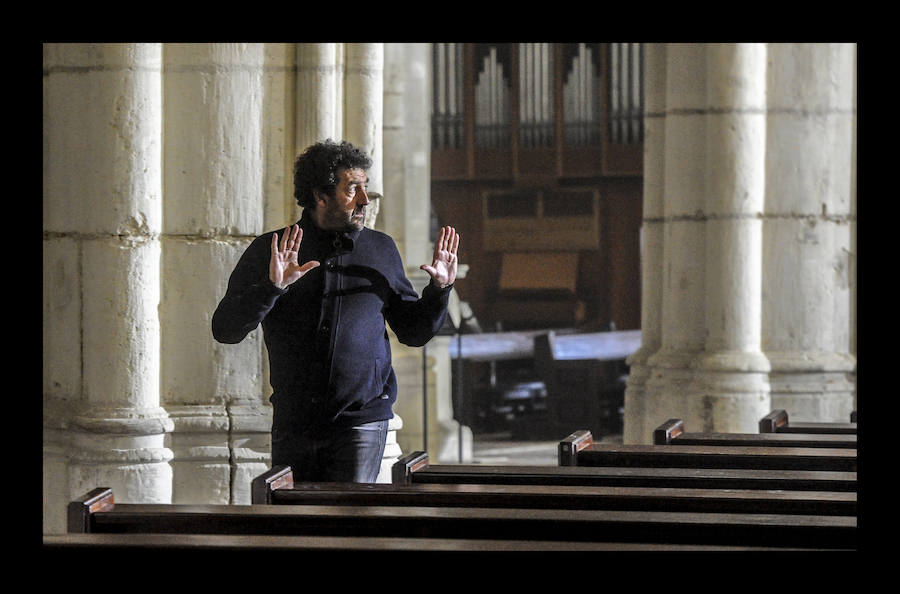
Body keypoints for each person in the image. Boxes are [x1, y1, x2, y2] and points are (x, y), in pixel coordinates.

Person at [212, 139, 459, 482]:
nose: (364, 200)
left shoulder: (380, 248)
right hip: (295, 421)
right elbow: (225, 330)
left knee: (352, 524)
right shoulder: (273, 250)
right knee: (296, 529)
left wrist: (439, 290)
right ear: (320, 195)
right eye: (352, 189)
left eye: (365, 188)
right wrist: (272, 287)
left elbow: (414, 332)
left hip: (361, 421)